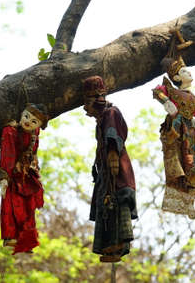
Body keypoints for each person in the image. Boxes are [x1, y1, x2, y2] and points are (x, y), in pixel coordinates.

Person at [83, 75, 137, 263]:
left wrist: (113, 156)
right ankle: (109, 245)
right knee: (106, 204)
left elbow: (114, 137)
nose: (85, 109)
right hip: (106, 173)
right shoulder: (101, 120)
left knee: (116, 201)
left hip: (116, 171)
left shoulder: (111, 113)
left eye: (86, 104)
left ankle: (119, 243)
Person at [153, 55, 195, 219]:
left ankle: (189, 203)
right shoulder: (172, 91)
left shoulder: (194, 98)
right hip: (175, 130)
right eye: (184, 71)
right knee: (177, 163)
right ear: (177, 77)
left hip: (190, 133)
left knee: (191, 164)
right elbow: (158, 91)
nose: (189, 73)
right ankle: (180, 198)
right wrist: (166, 102)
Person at [0, 103, 48, 254]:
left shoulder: (34, 134)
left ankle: (26, 239)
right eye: (26, 116)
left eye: (34, 121)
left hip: (27, 175)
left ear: (38, 125)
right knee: (11, 205)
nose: (28, 121)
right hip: (12, 175)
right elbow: (7, 155)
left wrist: (34, 168)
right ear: (21, 114)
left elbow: (34, 153)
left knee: (28, 208)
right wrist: (4, 178)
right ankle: (11, 236)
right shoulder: (10, 131)